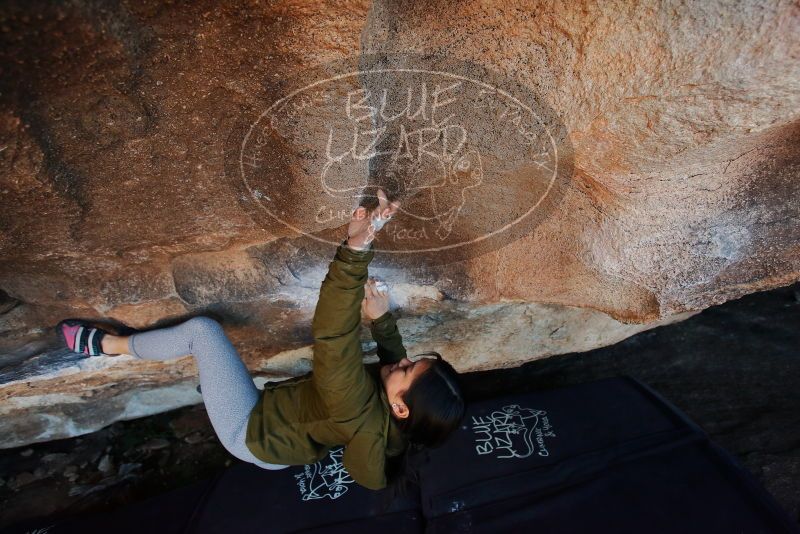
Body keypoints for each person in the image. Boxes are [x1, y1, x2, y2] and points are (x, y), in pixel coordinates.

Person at [57, 188, 465, 492]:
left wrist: (357, 249)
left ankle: (110, 347)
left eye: (408, 369)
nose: (402, 361)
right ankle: (215, 387)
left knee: (204, 333)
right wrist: (381, 324)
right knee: (222, 371)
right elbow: (391, 376)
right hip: (280, 437)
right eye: (412, 361)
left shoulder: (353, 404)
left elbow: (333, 331)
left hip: (248, 431)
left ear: (399, 407)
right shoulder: (392, 425)